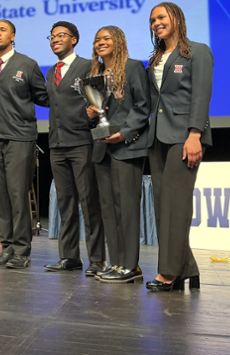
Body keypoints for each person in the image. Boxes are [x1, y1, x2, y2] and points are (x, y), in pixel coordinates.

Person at [145, 2, 213, 292]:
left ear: (176, 18)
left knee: (177, 206)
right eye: (152, 20)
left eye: (161, 17)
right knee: (163, 207)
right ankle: (189, 269)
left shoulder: (198, 51)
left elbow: (201, 95)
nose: (156, 23)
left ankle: (169, 273)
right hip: (157, 139)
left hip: (185, 138)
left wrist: (195, 133)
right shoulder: (155, 59)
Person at [85, 26, 150, 284]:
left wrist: (124, 133)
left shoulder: (133, 68)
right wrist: (90, 115)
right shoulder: (96, 74)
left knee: (127, 208)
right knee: (109, 209)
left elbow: (142, 107)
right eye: (97, 39)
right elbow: (98, 115)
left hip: (127, 147)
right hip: (102, 148)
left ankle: (131, 265)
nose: (101, 42)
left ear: (119, 41)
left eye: (106, 38)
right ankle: (116, 263)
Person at [0, 20, 47, 269]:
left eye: (2, 30)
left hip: (20, 138)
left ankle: (22, 251)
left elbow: (45, 96)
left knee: (18, 196)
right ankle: (7, 248)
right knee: (0, 197)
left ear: (13, 36)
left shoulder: (27, 64)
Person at [43, 21, 106, 276]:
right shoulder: (50, 72)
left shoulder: (88, 66)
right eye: (52, 36)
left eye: (61, 35)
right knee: (65, 204)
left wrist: (102, 142)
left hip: (83, 144)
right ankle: (69, 257)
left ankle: (98, 260)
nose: (55, 39)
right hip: (57, 146)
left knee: (90, 203)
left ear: (74, 40)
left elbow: (100, 109)